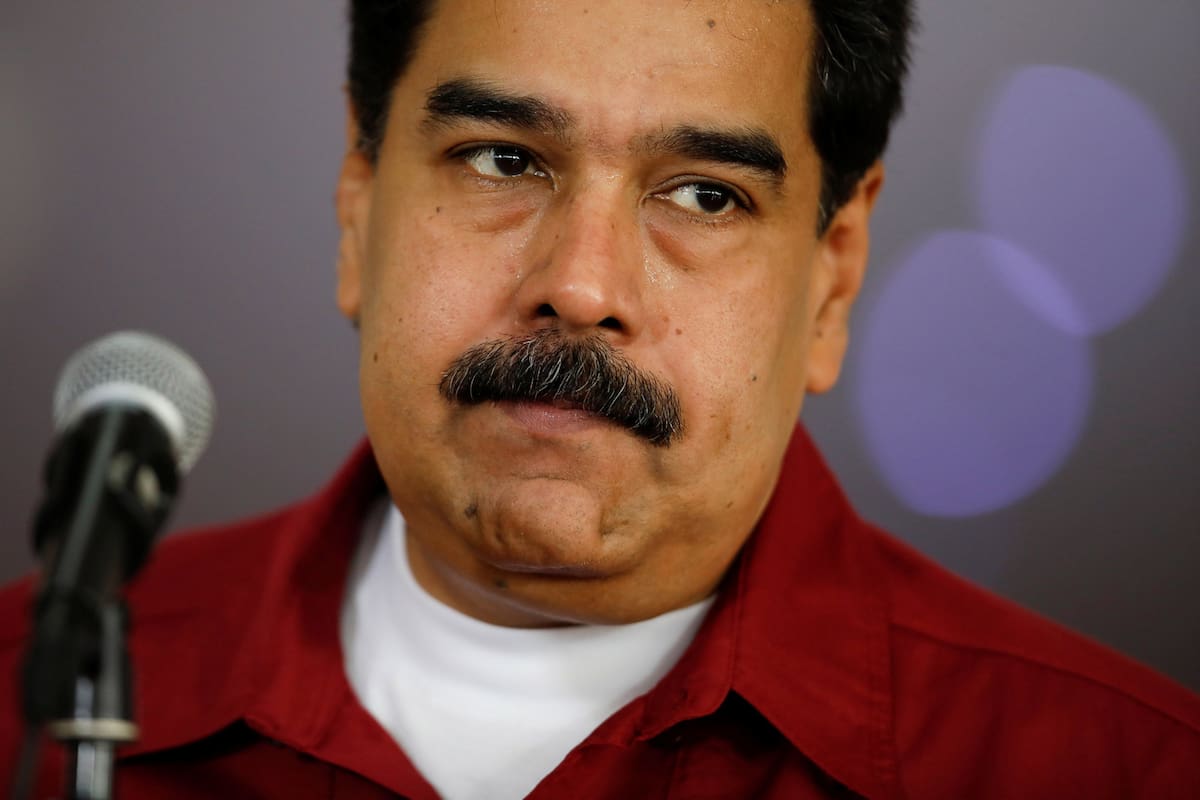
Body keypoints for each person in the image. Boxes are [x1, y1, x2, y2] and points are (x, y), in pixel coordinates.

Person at [2, 0, 1198, 797]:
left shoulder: (1120, 768)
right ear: (359, 201)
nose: (580, 286)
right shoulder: (25, 699)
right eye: (503, 160)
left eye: (706, 195)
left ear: (831, 278)